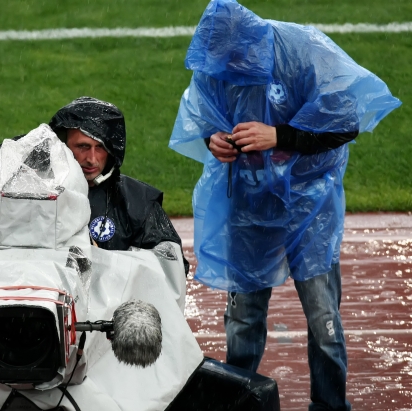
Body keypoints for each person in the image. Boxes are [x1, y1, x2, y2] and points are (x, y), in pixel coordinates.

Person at [168, 1, 401, 410]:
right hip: (249, 203)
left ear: (249, 43)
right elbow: (204, 115)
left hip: (309, 208)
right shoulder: (216, 60)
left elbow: (346, 123)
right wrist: (213, 140)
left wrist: (279, 136)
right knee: (243, 320)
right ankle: (239, 404)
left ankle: (330, 405)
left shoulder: (304, 50)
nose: (229, 68)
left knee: (323, 320)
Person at [49, 96, 189, 274]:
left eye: (100, 147)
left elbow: (173, 267)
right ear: (62, 146)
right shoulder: (39, 196)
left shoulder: (139, 202)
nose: (92, 159)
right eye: (83, 146)